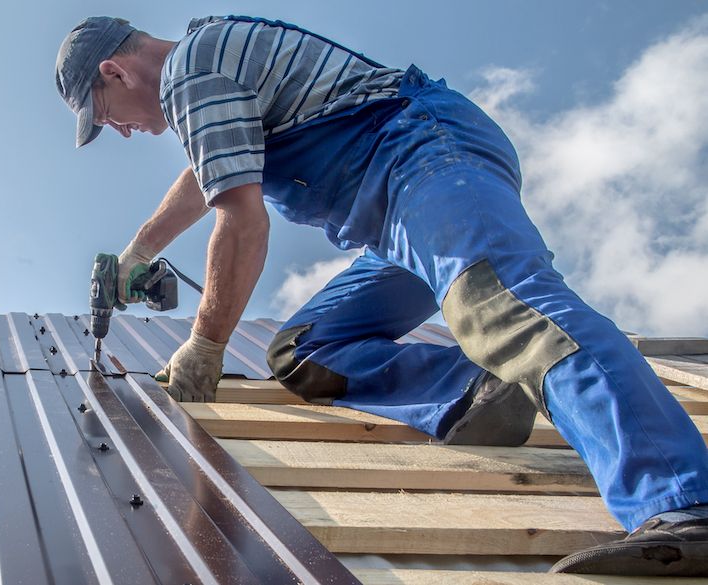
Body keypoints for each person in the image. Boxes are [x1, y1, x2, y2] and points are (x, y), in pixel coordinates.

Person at [55, 15, 708, 576]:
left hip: (426, 159)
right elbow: (206, 177)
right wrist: (138, 253)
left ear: (114, 70)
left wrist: (206, 345)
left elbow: (242, 218)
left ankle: (680, 501)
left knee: (502, 307)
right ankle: (475, 392)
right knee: (306, 348)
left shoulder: (192, 71)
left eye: (104, 115)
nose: (119, 130)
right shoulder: (207, 78)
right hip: (397, 219)